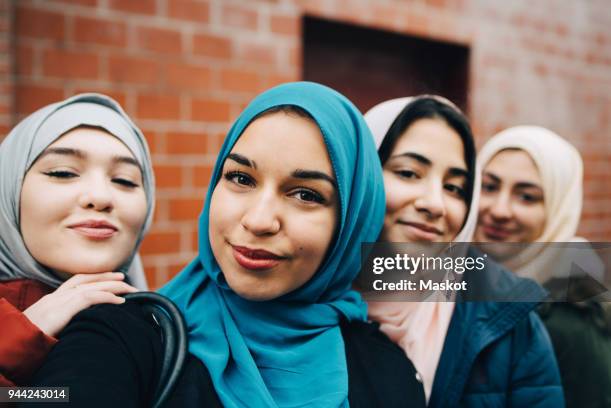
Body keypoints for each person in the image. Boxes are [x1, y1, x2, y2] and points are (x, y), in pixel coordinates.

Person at [28, 82, 426, 407]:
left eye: (305, 194)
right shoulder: (127, 334)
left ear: (353, 222)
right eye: (241, 179)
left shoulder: (387, 371)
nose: (257, 220)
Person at [363, 97, 564, 407]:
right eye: (408, 173)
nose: (435, 204)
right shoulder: (305, 294)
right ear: (362, 174)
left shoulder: (510, 320)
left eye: (454, 187)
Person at [0, 93, 155, 386]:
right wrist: (17, 336)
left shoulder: (168, 324)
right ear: (8, 191)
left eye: (124, 179)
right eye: (63, 172)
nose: (100, 197)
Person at [476, 125, 611, 408]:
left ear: (558, 208)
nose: (500, 210)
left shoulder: (573, 316)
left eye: (527, 196)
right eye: (489, 187)